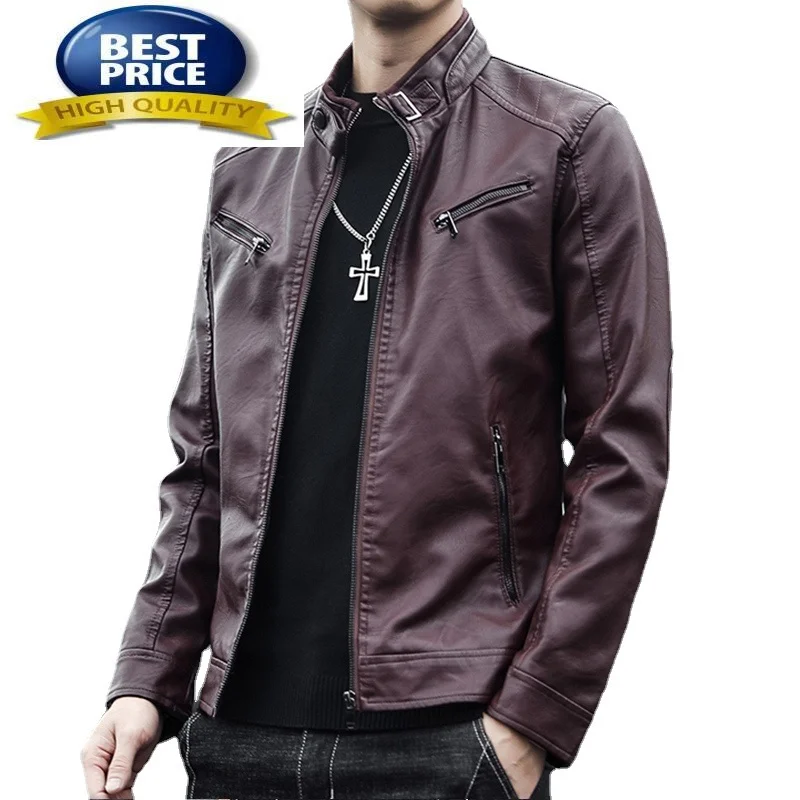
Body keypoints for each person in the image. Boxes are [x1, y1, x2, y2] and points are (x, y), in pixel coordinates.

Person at [80, 1, 673, 798]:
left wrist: (534, 717)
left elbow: (621, 452)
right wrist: (146, 678)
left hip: (449, 740)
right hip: (236, 740)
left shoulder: (563, 140)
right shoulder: (253, 173)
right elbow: (203, 463)